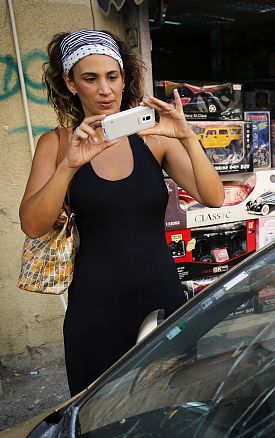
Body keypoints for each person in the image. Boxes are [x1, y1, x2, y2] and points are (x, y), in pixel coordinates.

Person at [18, 30, 224, 395]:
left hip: (160, 300)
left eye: (112, 77)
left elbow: (214, 197)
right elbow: (33, 225)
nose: (104, 90)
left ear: (124, 79)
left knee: (170, 405)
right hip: (95, 309)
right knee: (97, 415)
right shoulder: (57, 143)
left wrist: (187, 136)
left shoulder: (155, 138)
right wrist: (69, 166)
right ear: (69, 83)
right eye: (90, 78)